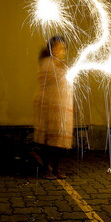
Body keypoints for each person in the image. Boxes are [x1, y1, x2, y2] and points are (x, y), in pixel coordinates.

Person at [33, 36, 74, 180]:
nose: (60, 50)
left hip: (63, 107)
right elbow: (47, 81)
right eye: (57, 47)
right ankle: (45, 168)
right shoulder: (47, 63)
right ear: (51, 49)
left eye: (63, 48)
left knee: (60, 141)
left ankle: (56, 168)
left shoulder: (64, 65)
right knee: (49, 141)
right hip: (50, 106)